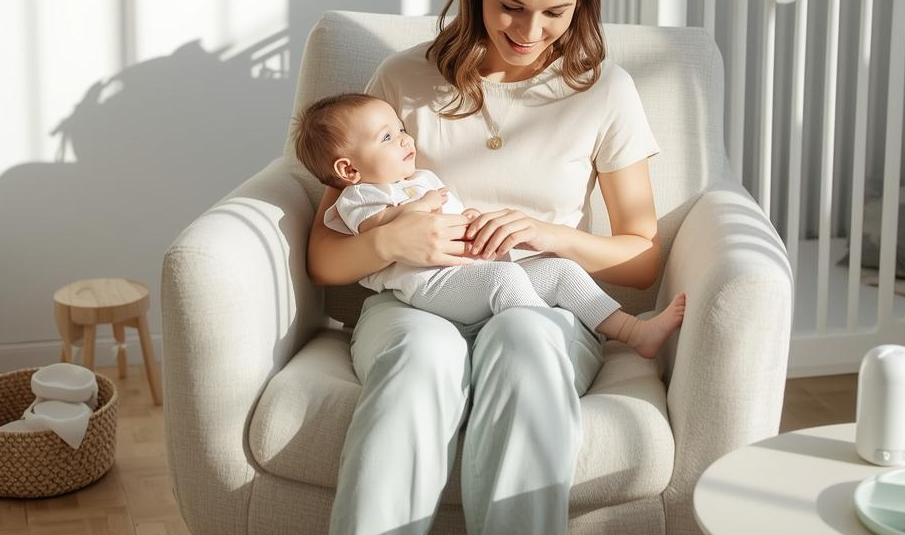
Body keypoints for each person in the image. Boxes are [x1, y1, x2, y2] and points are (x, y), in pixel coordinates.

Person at [306, 0, 668, 535]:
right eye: (510, 6)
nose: (529, 32)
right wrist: (393, 234)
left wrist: (552, 235)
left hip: (537, 299)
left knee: (525, 351)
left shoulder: (606, 91)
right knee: (419, 369)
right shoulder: (403, 82)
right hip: (414, 304)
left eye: (554, 12)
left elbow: (644, 251)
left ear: (581, 4)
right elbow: (329, 260)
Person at [291, 92, 685, 360]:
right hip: (431, 285)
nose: (405, 139)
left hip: (480, 267)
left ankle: (633, 332)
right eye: (388, 137)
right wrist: (414, 213)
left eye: (402, 129)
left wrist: (472, 221)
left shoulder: (420, 179)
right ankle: (551, 345)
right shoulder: (360, 197)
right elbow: (378, 229)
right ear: (349, 169)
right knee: (506, 284)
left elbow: (452, 215)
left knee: (563, 271)